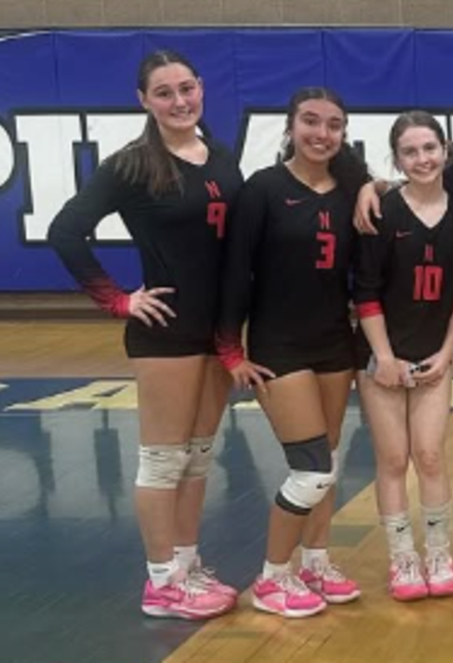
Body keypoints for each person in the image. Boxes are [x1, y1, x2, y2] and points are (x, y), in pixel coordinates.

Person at [48, 50, 241, 620]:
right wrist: (117, 299)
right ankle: (161, 582)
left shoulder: (219, 156)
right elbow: (66, 232)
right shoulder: (131, 165)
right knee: (163, 460)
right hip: (168, 332)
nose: (180, 101)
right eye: (165, 92)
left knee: (198, 458)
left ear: (202, 89)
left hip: (217, 332)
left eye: (187, 88)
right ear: (143, 101)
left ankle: (186, 563)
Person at [218, 87, 369, 617]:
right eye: (311, 121)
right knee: (309, 468)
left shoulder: (352, 190)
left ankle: (316, 561)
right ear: (291, 125)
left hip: (334, 341)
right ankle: (271, 577)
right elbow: (235, 271)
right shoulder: (263, 189)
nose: (321, 133)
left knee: (326, 462)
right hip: (279, 344)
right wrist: (230, 351)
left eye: (333, 124)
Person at [353, 112, 453, 601]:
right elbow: (365, 292)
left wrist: (447, 354)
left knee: (429, 454)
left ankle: (439, 552)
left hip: (433, 356)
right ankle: (402, 559)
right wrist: (383, 358)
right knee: (393, 457)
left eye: (430, 148)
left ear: (446, 150)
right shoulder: (382, 211)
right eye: (410, 151)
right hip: (381, 355)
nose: (422, 159)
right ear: (397, 158)